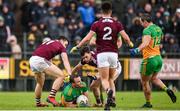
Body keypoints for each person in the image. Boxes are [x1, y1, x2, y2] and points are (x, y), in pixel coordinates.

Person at [70, 2, 133, 110]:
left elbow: (87, 38)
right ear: (111, 11)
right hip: (113, 54)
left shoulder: (97, 24)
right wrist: (130, 43)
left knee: (104, 79)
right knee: (111, 79)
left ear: (101, 12)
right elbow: (125, 37)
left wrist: (78, 46)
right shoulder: (117, 23)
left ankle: (108, 92)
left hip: (102, 53)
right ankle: (111, 100)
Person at [130, 13, 176, 108]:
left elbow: (146, 43)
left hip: (149, 59)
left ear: (146, 21)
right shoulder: (158, 28)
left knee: (145, 82)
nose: (141, 24)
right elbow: (160, 40)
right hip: (158, 58)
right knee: (154, 78)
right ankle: (167, 89)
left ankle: (148, 103)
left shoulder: (147, 30)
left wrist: (137, 49)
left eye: (142, 22)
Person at [29, 36, 71, 107]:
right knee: (61, 75)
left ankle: (38, 103)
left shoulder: (49, 42)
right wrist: (70, 74)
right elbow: (65, 61)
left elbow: (49, 61)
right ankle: (51, 97)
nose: (65, 47)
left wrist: (57, 78)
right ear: (62, 40)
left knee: (40, 83)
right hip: (40, 60)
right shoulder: (60, 45)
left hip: (32, 60)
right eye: (65, 44)